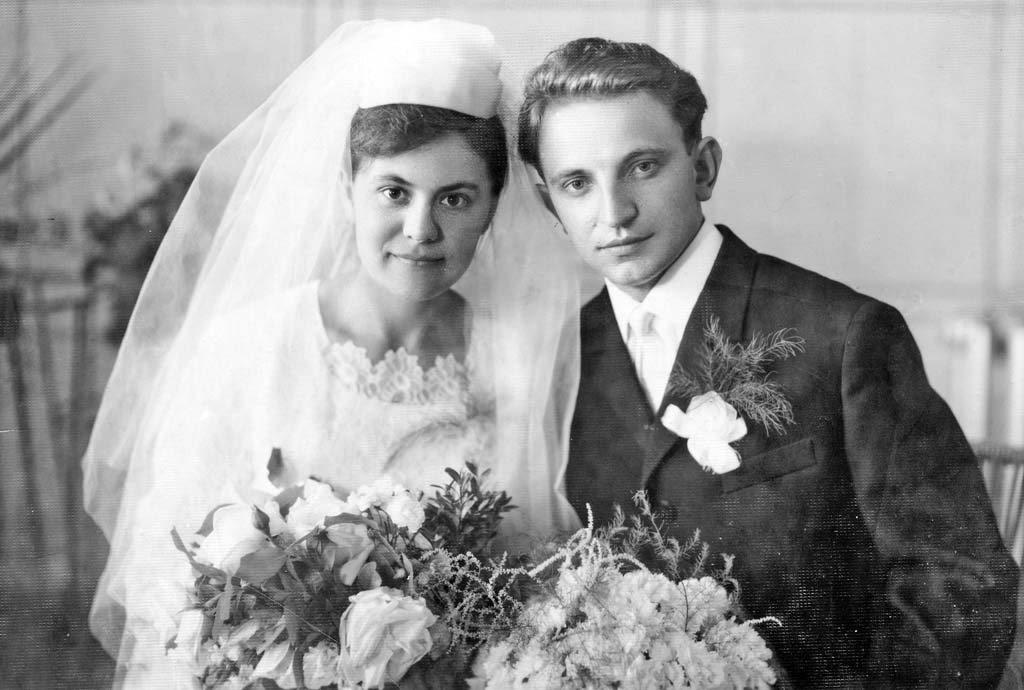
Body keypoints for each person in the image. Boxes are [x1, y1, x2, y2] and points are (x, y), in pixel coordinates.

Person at [82, 19, 580, 688]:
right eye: (394, 191)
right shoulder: (249, 344)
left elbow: (536, 583)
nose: (420, 230)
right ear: (348, 186)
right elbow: (162, 572)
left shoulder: (519, 360)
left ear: (492, 208)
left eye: (455, 199)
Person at [519, 37, 1019, 688]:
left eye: (642, 167)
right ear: (550, 205)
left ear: (703, 168)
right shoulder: (559, 358)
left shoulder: (846, 335)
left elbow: (964, 582)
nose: (613, 213)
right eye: (577, 183)